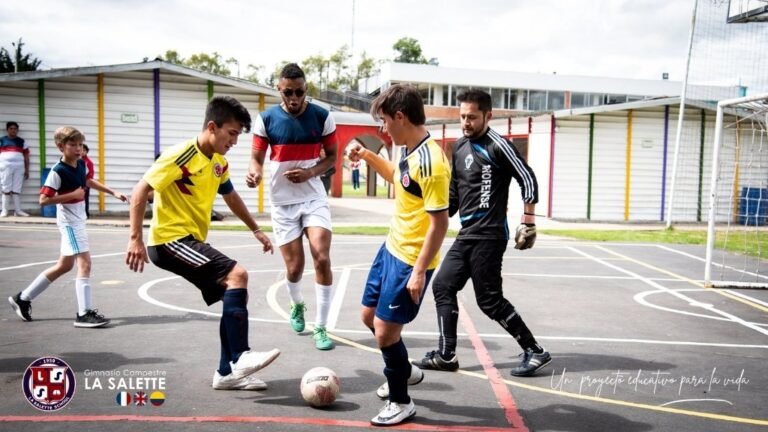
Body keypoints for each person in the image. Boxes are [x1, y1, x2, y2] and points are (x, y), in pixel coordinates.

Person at [125, 95, 280, 391]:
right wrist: (135, 239)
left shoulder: (219, 162)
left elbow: (231, 197)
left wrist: (256, 229)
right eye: (232, 133)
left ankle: (226, 373)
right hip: (170, 240)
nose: (235, 141)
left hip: (188, 239)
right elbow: (139, 191)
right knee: (238, 275)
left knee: (234, 293)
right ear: (212, 126)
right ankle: (239, 357)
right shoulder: (181, 155)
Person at [412, 89, 551, 378]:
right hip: (467, 234)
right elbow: (453, 195)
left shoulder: (498, 145)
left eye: (472, 117)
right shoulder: (459, 146)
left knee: (489, 300)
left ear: (488, 115)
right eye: (463, 116)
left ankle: (534, 350)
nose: (466, 122)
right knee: (443, 286)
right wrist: (429, 217)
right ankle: (446, 355)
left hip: (489, 235)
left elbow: (527, 177)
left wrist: (529, 221)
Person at [349, 84, 450, 426]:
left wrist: (419, 271)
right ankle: (405, 370)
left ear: (400, 116)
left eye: (384, 122)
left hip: (411, 259)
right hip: (391, 248)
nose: (383, 129)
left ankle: (401, 401)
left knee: (385, 332)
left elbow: (440, 224)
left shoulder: (432, 162)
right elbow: (398, 179)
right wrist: (368, 155)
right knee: (368, 318)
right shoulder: (407, 149)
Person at [246, 63, 337, 351]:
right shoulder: (266, 119)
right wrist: (255, 173)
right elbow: (256, 159)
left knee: (321, 257)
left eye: (298, 92)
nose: (293, 98)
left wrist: (311, 173)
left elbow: (333, 157)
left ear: (305, 89)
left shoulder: (323, 116)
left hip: (313, 197)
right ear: (279, 89)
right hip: (282, 202)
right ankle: (297, 305)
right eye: (288, 93)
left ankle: (321, 327)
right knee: (295, 267)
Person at [8, 126, 128, 327]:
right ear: (60, 146)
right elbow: (43, 200)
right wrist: (72, 196)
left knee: (65, 265)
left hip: (78, 219)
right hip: (70, 223)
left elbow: (87, 181)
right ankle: (84, 314)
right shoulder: (57, 171)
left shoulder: (80, 164)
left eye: (80, 144)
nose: (78, 148)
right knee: (85, 263)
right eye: (73, 145)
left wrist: (112, 192)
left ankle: (23, 298)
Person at [0, 121, 30, 217]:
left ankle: (18, 211)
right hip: (5, 166)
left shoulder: (21, 141)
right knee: (6, 187)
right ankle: (4, 211)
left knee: (17, 188)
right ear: (7, 130)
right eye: (11, 128)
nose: (13, 130)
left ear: (17, 130)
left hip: (19, 166)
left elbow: (26, 156)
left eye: (15, 129)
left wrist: (27, 169)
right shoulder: (2, 140)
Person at [81, 144, 95, 218]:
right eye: (81, 150)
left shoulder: (88, 162)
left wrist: (87, 184)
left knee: (85, 199)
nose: (82, 152)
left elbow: (91, 174)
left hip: (86, 184)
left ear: (86, 152)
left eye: (84, 150)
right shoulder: (77, 160)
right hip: (78, 184)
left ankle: (86, 213)